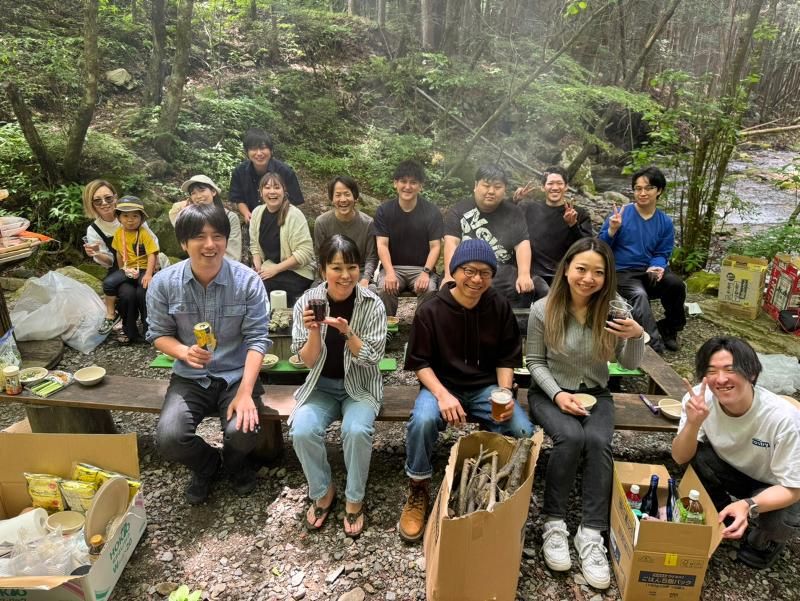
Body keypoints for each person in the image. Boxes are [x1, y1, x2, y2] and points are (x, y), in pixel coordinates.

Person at [526, 238, 645, 590]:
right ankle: (554, 524)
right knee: (570, 437)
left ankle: (591, 533)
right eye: (581, 269)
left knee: (597, 441)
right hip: (549, 392)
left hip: (596, 393)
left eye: (598, 272)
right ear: (567, 269)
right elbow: (534, 362)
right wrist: (558, 394)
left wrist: (637, 335)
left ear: (607, 277)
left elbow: (629, 364)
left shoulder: (614, 310)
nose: (588, 278)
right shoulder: (543, 309)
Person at [398, 239, 535, 543]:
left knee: (522, 430)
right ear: (455, 271)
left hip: (486, 388)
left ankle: (500, 488)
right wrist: (442, 395)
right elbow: (419, 362)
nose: (476, 279)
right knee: (422, 421)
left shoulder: (498, 306)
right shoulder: (431, 309)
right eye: (469, 271)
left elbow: (507, 357)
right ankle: (418, 487)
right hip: (442, 386)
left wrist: (504, 393)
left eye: (485, 273)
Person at [146, 203, 270, 505]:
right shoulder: (164, 283)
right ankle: (207, 465)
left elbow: (257, 339)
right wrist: (183, 351)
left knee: (245, 430)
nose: (210, 245)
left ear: (226, 240)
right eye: (199, 237)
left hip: (236, 375)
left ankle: (234, 463)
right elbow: (158, 334)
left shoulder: (247, 281)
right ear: (183, 242)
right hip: (190, 378)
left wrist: (246, 392)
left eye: (217, 236)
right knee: (169, 439)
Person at [671, 336, 800, 570]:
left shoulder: (783, 419)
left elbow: (794, 487)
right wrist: (692, 423)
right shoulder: (699, 401)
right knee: (696, 453)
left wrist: (749, 504)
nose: (721, 379)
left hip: (777, 484)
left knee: (777, 522)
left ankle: (765, 541)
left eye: (730, 370)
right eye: (712, 371)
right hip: (734, 470)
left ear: (752, 373)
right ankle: (724, 511)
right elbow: (680, 457)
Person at [289, 234, 387, 537]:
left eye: (352, 267)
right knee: (302, 429)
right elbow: (307, 361)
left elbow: (372, 359)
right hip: (321, 386)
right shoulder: (308, 302)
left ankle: (354, 498)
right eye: (336, 268)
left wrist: (347, 332)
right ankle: (322, 491)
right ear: (323, 270)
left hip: (361, 386)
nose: (345, 275)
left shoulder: (372, 303)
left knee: (356, 431)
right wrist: (313, 330)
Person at [598, 166, 685, 353]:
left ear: (659, 191)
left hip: (648, 271)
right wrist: (612, 230)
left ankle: (669, 328)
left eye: (648, 188)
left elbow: (662, 252)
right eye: (638, 188)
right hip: (622, 272)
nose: (642, 193)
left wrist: (657, 266)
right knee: (639, 295)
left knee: (676, 285)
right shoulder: (621, 214)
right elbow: (600, 248)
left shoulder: (664, 222)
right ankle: (652, 343)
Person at [443, 164, 542, 308]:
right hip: (467, 269)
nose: (491, 191)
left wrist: (524, 274)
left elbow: (522, 244)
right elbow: (451, 243)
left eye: (497, 187)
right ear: (475, 186)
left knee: (537, 288)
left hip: (502, 271)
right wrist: (448, 275)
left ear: (504, 189)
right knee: (441, 294)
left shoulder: (514, 213)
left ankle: (516, 321)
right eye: (486, 185)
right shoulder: (458, 210)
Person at [83, 180, 158, 341]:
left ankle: (151, 329)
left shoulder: (133, 214)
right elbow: (109, 261)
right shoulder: (93, 229)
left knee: (143, 291)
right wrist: (96, 253)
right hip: (121, 268)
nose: (104, 203)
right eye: (97, 200)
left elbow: (153, 246)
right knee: (127, 294)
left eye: (108, 198)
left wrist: (150, 271)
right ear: (91, 204)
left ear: (115, 197)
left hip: (145, 266)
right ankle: (127, 328)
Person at [373, 160, 443, 317]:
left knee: (430, 289)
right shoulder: (384, 210)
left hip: (421, 268)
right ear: (395, 183)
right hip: (393, 267)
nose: (407, 186)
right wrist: (389, 272)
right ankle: (387, 326)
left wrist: (426, 272)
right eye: (403, 181)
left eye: (413, 182)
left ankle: (422, 326)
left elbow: (435, 247)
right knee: (384, 288)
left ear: (420, 186)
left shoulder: (431, 212)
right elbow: (382, 245)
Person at [518, 166, 593, 293]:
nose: (555, 187)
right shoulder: (529, 209)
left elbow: (587, 248)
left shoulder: (579, 214)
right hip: (534, 271)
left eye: (559, 183)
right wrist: (514, 201)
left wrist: (573, 225)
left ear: (566, 187)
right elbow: (508, 226)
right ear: (543, 187)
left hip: (565, 272)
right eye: (550, 183)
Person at [249, 172, 315, 306]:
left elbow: (305, 252)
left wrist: (276, 269)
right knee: (248, 284)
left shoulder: (294, 215)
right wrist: (258, 268)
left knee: (262, 288)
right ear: (261, 192)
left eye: (276, 187)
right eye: (267, 187)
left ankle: (280, 318)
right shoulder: (257, 213)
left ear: (284, 191)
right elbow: (254, 245)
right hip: (269, 267)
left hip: (297, 272)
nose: (272, 191)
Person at [313, 176, 377, 288]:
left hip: (358, 273)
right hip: (332, 273)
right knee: (314, 293)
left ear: (355, 197)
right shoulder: (321, 222)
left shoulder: (368, 223)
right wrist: (326, 278)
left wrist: (366, 279)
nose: (343, 199)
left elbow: (371, 257)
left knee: (371, 292)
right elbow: (319, 256)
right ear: (332, 199)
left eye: (347, 194)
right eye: (338, 195)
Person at [229, 128, 304, 224]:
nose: (259, 153)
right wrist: (246, 213)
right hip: (253, 221)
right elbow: (238, 199)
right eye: (254, 149)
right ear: (247, 152)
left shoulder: (285, 172)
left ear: (271, 150)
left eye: (263, 148)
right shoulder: (239, 172)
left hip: (281, 220)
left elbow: (294, 201)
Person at [169, 175, 242, 262]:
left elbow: (233, 253)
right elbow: (178, 225)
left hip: (223, 265)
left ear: (213, 192)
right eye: (193, 193)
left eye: (202, 190)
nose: (198, 196)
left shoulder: (229, 217)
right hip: (198, 264)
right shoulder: (191, 219)